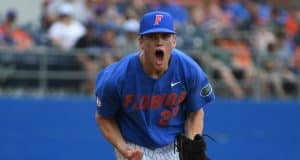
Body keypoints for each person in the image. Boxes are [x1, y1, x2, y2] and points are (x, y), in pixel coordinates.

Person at [95, 11, 215, 160]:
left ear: (174, 41)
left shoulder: (189, 70)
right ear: (140, 42)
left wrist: (191, 144)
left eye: (165, 37)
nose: (159, 42)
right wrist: (123, 148)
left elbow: (195, 112)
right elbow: (103, 117)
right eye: (152, 37)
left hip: (173, 147)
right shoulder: (117, 78)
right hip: (134, 147)